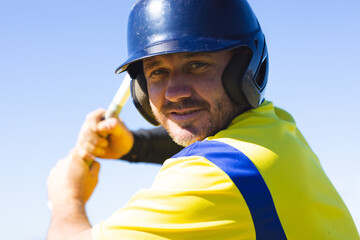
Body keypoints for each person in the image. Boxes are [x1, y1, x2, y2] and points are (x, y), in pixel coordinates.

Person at [47, 0, 359, 239]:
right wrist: (134, 145)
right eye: (157, 72)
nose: (175, 92)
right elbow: (221, 153)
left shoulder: (218, 178)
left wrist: (67, 198)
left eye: (197, 64)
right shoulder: (274, 129)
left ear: (245, 70)